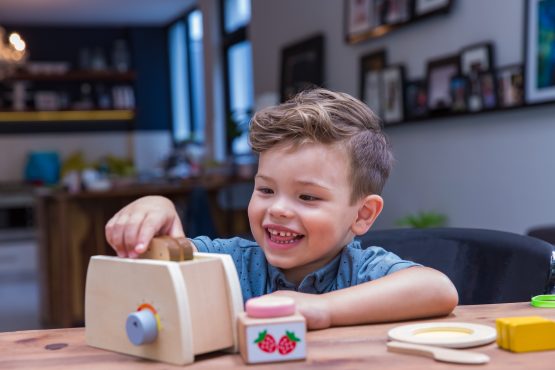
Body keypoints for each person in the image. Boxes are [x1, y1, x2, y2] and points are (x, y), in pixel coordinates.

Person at [106, 88, 458, 330]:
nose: (278, 209)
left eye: (307, 197)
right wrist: (157, 207)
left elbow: (438, 289)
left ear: (362, 215)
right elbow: (161, 260)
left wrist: (322, 309)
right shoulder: (230, 261)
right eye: (266, 189)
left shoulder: (362, 270)